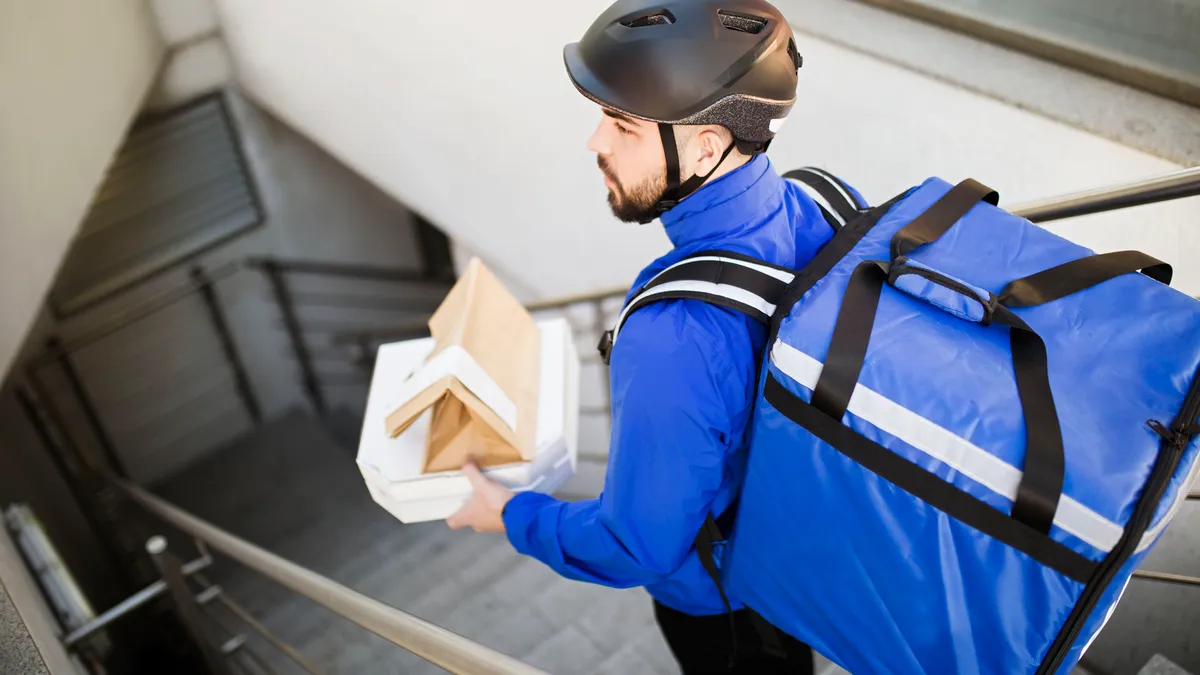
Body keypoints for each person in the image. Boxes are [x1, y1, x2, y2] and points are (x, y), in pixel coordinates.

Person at [447, 1, 864, 672]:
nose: (596, 142)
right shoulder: (822, 201)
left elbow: (638, 543)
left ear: (705, 146)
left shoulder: (675, 337)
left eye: (622, 124)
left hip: (724, 611)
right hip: (796, 564)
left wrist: (506, 512)